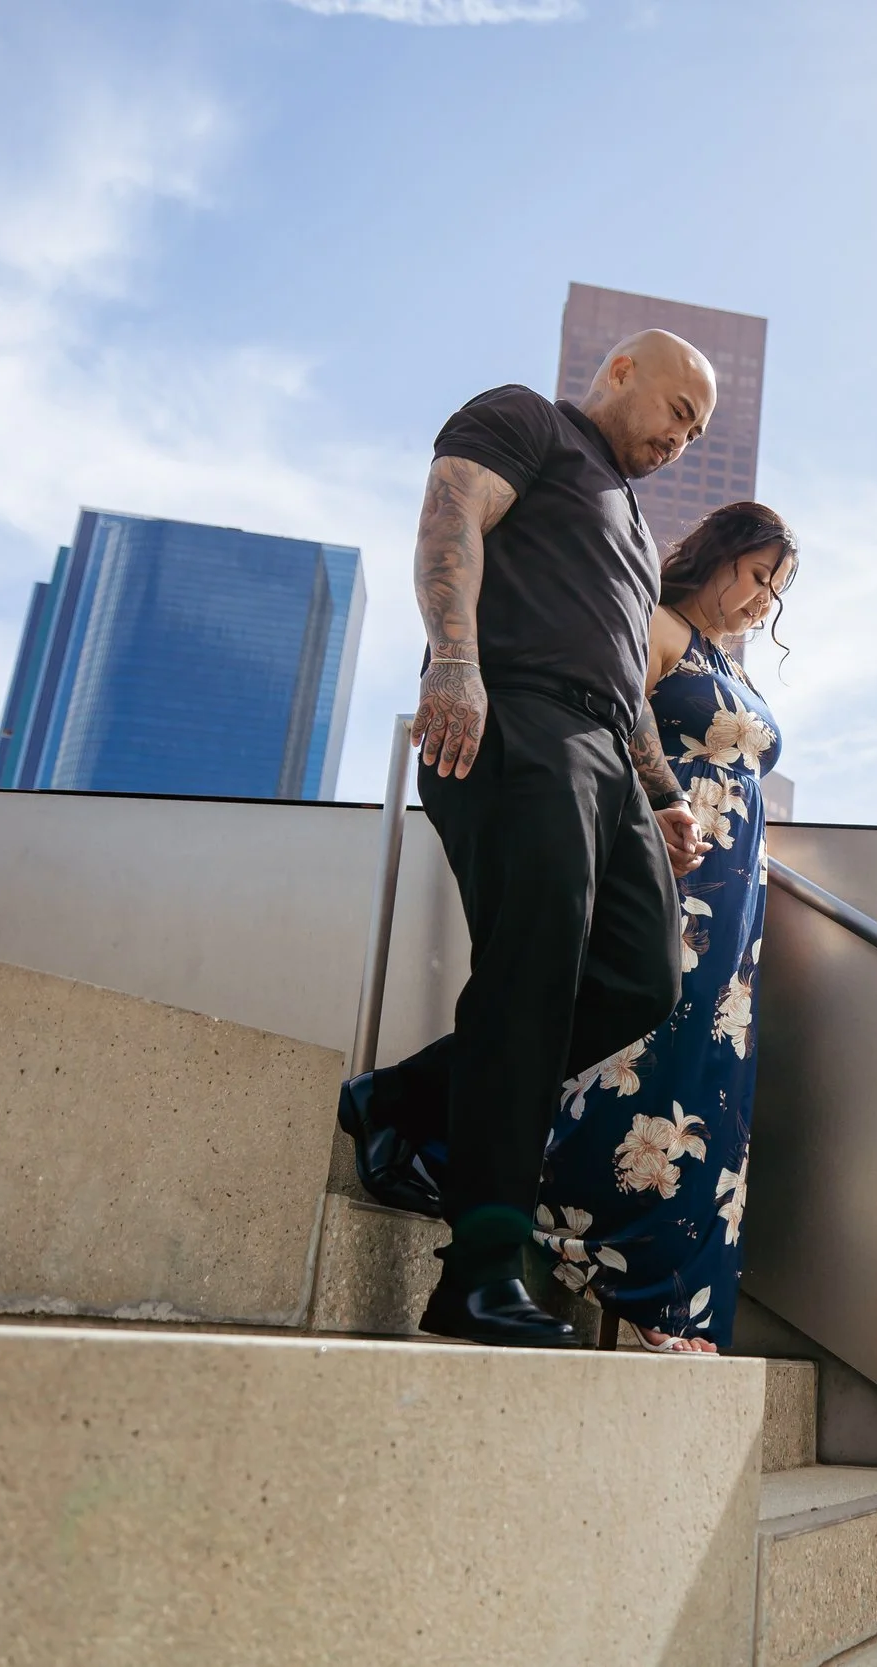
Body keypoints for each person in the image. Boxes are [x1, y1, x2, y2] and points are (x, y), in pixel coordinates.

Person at [337, 331, 714, 1347]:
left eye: (696, 433)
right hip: (514, 718)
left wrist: (663, 793)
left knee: (641, 978)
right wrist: (453, 661)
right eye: (678, 412)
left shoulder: (632, 526)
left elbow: (621, 672)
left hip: (604, 754)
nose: (680, 440)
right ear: (623, 372)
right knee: (533, 973)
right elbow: (451, 512)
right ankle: (480, 1268)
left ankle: (398, 1097)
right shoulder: (529, 421)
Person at [533, 502, 795, 1353]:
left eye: (778, 590)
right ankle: (590, 1237)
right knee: (644, 1054)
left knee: (709, 1078)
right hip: (665, 868)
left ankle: (679, 1300)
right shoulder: (660, 624)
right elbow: (611, 720)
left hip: (736, 903)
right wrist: (649, 816)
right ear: (720, 554)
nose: (764, 599)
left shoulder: (728, 661)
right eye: (759, 575)